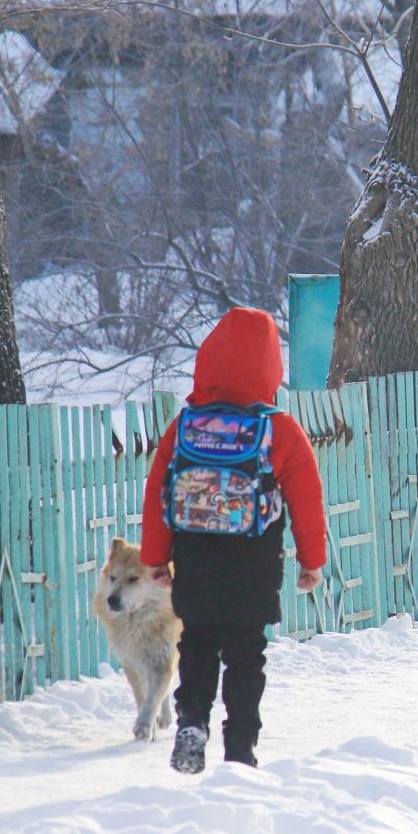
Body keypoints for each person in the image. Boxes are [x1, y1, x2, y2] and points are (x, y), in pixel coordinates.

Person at [140, 308, 326, 772]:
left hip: (195, 556)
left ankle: (192, 723)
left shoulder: (185, 427)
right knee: (247, 652)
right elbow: (306, 497)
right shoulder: (278, 429)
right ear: (270, 367)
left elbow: (158, 492)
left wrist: (156, 558)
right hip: (254, 562)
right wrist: (311, 559)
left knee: (198, 643)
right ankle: (240, 746)